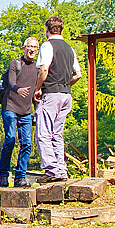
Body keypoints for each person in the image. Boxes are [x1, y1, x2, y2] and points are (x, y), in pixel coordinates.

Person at [33, 15, 81, 182]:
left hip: (51, 94)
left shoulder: (47, 46)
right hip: (66, 95)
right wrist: (65, 86)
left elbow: (44, 70)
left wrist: (38, 89)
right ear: (61, 29)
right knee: (57, 134)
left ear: (47, 29)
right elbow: (78, 75)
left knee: (43, 134)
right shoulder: (70, 48)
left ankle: (52, 170)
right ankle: (61, 169)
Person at [0, 36, 39, 187]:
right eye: (29, 47)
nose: (32, 50)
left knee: (27, 144)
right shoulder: (15, 64)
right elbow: (12, 83)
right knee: (10, 140)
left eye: (35, 47)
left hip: (26, 111)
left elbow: (36, 92)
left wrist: (36, 110)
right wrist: (18, 90)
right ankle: (3, 175)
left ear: (37, 50)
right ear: (24, 48)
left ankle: (20, 178)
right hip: (10, 107)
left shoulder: (37, 68)